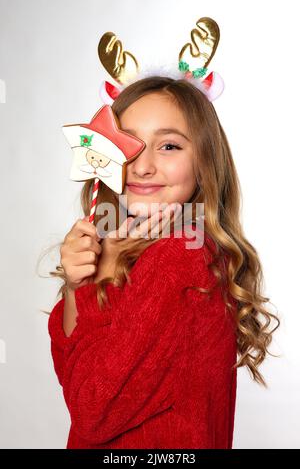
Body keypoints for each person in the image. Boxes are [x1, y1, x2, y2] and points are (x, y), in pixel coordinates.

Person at [47, 76, 280, 449]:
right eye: (129, 145)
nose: (142, 167)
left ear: (204, 162)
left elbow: (91, 410)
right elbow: (76, 376)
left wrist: (99, 277)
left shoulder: (178, 257)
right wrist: (81, 284)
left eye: (169, 146)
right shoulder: (144, 250)